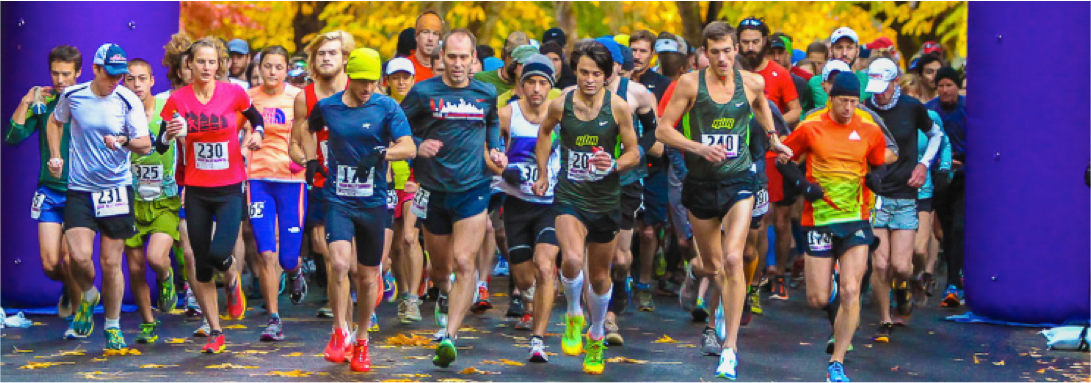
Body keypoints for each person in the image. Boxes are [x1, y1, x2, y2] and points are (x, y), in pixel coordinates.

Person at [656, 21, 792, 380]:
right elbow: (662, 129)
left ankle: (729, 348)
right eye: (713, 51)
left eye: (726, 50)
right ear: (704, 52)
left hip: (739, 181)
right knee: (713, 265)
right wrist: (698, 147)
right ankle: (696, 273)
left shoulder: (752, 82)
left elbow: (762, 105)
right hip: (700, 184)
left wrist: (773, 137)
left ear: (735, 50)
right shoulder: (689, 84)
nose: (721, 57)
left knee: (734, 258)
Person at [399, 28, 507, 368]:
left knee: (464, 262)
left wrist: (497, 149)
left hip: (473, 188)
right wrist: (417, 145)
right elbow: (397, 125)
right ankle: (443, 297)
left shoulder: (486, 93)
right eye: (452, 57)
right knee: (442, 269)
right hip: (433, 191)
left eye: (464, 57)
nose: (458, 64)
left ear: (473, 59)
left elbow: (491, 123)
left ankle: (451, 336)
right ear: (441, 59)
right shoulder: (423, 92)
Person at [532, 40, 640, 375]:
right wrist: (542, 173)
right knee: (572, 259)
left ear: (607, 76)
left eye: (596, 73)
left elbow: (634, 152)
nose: (589, 79)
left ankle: (595, 334)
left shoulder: (619, 107)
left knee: (600, 278)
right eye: (582, 72)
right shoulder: (560, 103)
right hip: (570, 195)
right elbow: (544, 134)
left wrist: (612, 165)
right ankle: (574, 314)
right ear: (574, 71)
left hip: (606, 200)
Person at [306, 47, 416, 372]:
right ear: (350, 77)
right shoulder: (328, 107)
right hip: (339, 198)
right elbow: (306, 126)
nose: (368, 88)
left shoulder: (387, 106)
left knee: (368, 278)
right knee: (338, 263)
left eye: (373, 81)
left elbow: (410, 145)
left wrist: (385, 153)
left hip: (372, 202)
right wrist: (310, 157)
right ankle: (340, 330)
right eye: (362, 81)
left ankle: (363, 338)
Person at [783, 71, 895, 383]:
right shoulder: (811, 127)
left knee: (851, 289)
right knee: (818, 298)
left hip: (855, 218)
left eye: (854, 102)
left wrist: (878, 179)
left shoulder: (869, 129)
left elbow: (879, 163)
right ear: (831, 99)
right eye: (843, 101)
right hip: (818, 218)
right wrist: (804, 186)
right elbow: (784, 159)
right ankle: (830, 293)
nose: (848, 108)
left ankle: (837, 362)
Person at [160, 37, 266, 353]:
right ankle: (215, 331)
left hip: (230, 186)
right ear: (188, 65)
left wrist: (257, 133)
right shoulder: (177, 100)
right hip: (195, 189)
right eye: (200, 62)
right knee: (202, 266)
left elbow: (256, 118)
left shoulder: (233, 93)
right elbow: (160, 145)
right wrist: (168, 134)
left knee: (219, 254)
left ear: (219, 65)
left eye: (212, 62)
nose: (207, 67)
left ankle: (232, 281)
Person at [47, 43, 153, 348]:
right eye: (110, 75)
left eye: (121, 75)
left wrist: (122, 140)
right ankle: (89, 293)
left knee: (110, 262)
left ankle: (113, 324)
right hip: (81, 188)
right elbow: (55, 122)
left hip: (117, 189)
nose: (116, 80)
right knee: (78, 257)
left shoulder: (127, 99)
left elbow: (145, 144)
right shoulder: (73, 95)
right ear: (95, 69)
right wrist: (57, 155)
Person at [863, 57, 944, 342]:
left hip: (906, 194)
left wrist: (924, 164)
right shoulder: (865, 107)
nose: (878, 93)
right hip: (876, 195)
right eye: (874, 87)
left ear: (895, 82)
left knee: (901, 266)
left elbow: (936, 135)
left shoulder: (912, 107)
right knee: (880, 264)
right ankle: (885, 318)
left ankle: (902, 287)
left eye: (883, 87)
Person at [6, 45, 82, 336]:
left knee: (69, 258)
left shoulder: (85, 101)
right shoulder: (44, 101)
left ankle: (79, 320)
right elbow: (14, 137)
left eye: (66, 74)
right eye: (55, 73)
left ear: (78, 74)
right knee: (51, 264)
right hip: (49, 192)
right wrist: (26, 101)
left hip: (79, 191)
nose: (60, 79)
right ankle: (73, 286)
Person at [495, 54, 562, 362]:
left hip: (551, 204)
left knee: (545, 266)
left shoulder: (561, 113)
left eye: (543, 83)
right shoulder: (507, 114)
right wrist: (501, 167)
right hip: (517, 202)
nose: (536, 89)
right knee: (524, 278)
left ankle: (538, 339)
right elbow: (487, 148)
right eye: (531, 83)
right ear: (520, 86)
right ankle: (532, 299)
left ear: (551, 86)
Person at [289, 30, 355, 319]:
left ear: (344, 58)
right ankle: (340, 308)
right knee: (323, 248)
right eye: (321, 54)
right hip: (322, 180)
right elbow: (293, 141)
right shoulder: (305, 97)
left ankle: (367, 283)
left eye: (332, 53)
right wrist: (302, 156)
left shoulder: (362, 89)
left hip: (359, 180)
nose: (326, 58)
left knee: (356, 262)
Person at [246, 45, 307, 342]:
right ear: (260, 68)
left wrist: (305, 158)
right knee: (265, 251)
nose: (271, 72)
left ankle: (295, 274)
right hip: (257, 179)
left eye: (278, 67)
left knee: (287, 257)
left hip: (291, 181)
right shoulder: (248, 98)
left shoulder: (297, 97)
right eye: (267, 66)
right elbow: (236, 130)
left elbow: (306, 135)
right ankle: (273, 318)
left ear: (286, 69)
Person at [737, 17, 801, 303]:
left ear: (765, 42)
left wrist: (771, 129)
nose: (750, 47)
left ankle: (771, 276)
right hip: (734, 155)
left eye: (756, 41)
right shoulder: (728, 72)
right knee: (747, 222)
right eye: (745, 42)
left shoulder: (778, 74)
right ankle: (745, 277)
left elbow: (795, 110)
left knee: (774, 219)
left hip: (771, 154)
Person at [121, 58, 178, 344]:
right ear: (123, 81)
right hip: (131, 201)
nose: (137, 84)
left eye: (142, 78)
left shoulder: (168, 109)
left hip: (164, 199)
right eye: (130, 79)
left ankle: (166, 278)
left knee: (156, 258)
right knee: (134, 267)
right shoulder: (119, 113)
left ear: (152, 81)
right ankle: (147, 322)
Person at [382, 57, 425, 323]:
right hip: (388, 183)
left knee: (410, 237)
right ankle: (403, 294)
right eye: (396, 77)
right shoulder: (380, 107)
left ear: (413, 79)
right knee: (396, 246)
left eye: (406, 77)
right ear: (387, 81)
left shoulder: (421, 108)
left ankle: (412, 298)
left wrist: (421, 178)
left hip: (414, 182)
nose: (401, 82)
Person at [925, 66, 966, 308]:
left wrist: (960, 158)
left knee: (960, 227)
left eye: (949, 85)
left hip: (963, 177)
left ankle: (955, 281)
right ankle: (953, 280)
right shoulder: (930, 110)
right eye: (941, 85)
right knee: (946, 231)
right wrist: (940, 161)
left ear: (957, 87)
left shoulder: (968, 108)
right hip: (939, 177)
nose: (944, 90)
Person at [808, 27, 871, 108]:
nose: (844, 53)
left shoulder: (868, 83)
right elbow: (804, 113)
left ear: (857, 51)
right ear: (831, 50)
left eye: (849, 48)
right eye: (839, 47)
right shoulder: (814, 83)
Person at [474, 31, 531, 96]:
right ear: (503, 53)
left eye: (522, 57)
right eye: (513, 54)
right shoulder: (481, 79)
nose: (517, 60)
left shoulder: (531, 85)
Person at [629, 30, 671, 101]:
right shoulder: (618, 80)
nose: (636, 56)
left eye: (643, 51)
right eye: (633, 50)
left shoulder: (664, 83)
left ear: (652, 53)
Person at [407, 11, 444, 82]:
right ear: (416, 36)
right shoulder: (404, 66)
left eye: (435, 34)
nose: (430, 38)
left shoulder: (445, 68)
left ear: (439, 38)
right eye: (425, 32)